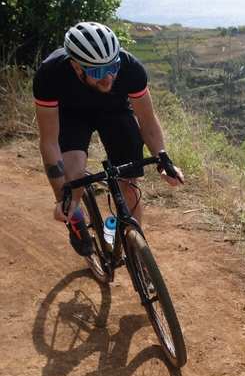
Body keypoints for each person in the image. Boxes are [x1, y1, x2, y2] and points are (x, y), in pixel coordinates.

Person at [33, 21, 184, 256]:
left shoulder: (130, 67)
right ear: (76, 67)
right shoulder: (50, 75)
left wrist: (163, 161)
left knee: (129, 185)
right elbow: (49, 141)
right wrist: (61, 196)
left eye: (112, 67)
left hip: (114, 112)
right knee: (73, 179)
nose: (108, 78)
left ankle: (136, 250)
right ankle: (75, 217)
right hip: (72, 117)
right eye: (97, 72)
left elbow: (147, 121)